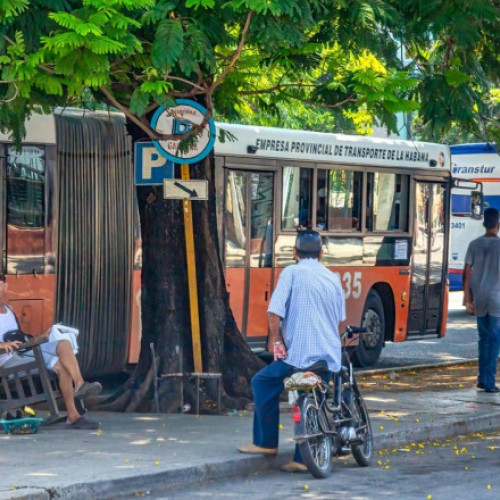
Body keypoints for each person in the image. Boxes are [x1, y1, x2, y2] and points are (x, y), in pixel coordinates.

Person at [237, 230, 345, 472]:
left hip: (297, 359)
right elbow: (340, 319)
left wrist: (277, 342)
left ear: (295, 252)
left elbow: (274, 313)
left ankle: (266, 443)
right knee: (309, 397)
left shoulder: (292, 273)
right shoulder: (332, 278)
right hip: (327, 358)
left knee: (262, 383)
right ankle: (301, 458)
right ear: (321, 253)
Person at [0, 274, 102, 428]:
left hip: (23, 352)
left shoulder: (9, 310)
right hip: (8, 362)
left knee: (62, 343)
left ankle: (80, 385)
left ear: (5, 286)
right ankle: (73, 416)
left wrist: (42, 336)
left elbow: (21, 338)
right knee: (62, 365)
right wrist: (1, 344)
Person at [463, 207, 500, 393]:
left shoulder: (474, 244)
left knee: (483, 338)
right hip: (496, 299)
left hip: (480, 298)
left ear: (485, 223)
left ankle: (481, 378)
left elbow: (466, 272)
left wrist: (467, 299)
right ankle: (489, 381)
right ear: (498, 225)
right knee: (494, 341)